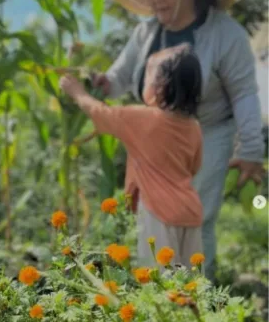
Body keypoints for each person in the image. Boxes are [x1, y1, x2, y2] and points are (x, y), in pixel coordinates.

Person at [94, 0, 265, 280]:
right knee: (154, 216)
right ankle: (160, 292)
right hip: (156, 141)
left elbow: (244, 94)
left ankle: (200, 297)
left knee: (195, 216)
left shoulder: (226, 35)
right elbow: (122, 75)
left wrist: (251, 149)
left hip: (208, 133)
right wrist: (102, 84)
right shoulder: (145, 33)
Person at [60, 44, 204, 265]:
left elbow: (102, 113)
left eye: (147, 75)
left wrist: (78, 93)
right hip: (190, 212)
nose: (143, 81)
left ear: (160, 86)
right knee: (191, 282)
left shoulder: (142, 119)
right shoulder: (193, 126)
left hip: (158, 212)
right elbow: (194, 166)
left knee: (159, 281)